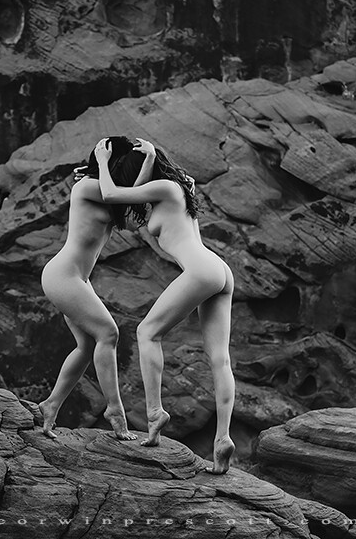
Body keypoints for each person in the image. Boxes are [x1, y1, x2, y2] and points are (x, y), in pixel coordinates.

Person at [94, 138, 236, 474]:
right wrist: (150, 158)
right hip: (217, 270)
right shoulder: (178, 188)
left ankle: (155, 412)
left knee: (147, 332)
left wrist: (101, 161)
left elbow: (111, 194)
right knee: (220, 359)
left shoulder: (168, 189)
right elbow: (137, 190)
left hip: (201, 270)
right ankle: (223, 439)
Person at [38, 136, 156, 440]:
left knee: (87, 346)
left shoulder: (109, 191)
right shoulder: (87, 186)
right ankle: (115, 411)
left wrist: (150, 159)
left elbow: (132, 201)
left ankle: (50, 406)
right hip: (63, 276)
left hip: (78, 279)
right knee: (109, 333)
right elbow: (115, 194)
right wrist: (103, 162)